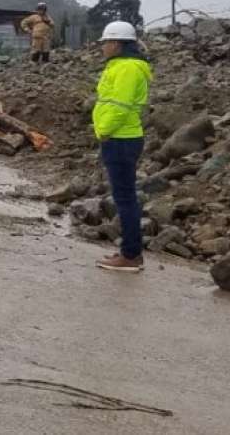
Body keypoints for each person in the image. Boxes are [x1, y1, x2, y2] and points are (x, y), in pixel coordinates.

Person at [92, 20, 152, 272]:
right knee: (124, 196)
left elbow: (120, 105)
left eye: (105, 43)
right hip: (120, 137)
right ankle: (130, 252)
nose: (103, 48)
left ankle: (130, 255)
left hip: (120, 138)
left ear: (116, 44)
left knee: (125, 198)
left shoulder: (127, 68)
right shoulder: (122, 65)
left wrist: (104, 131)